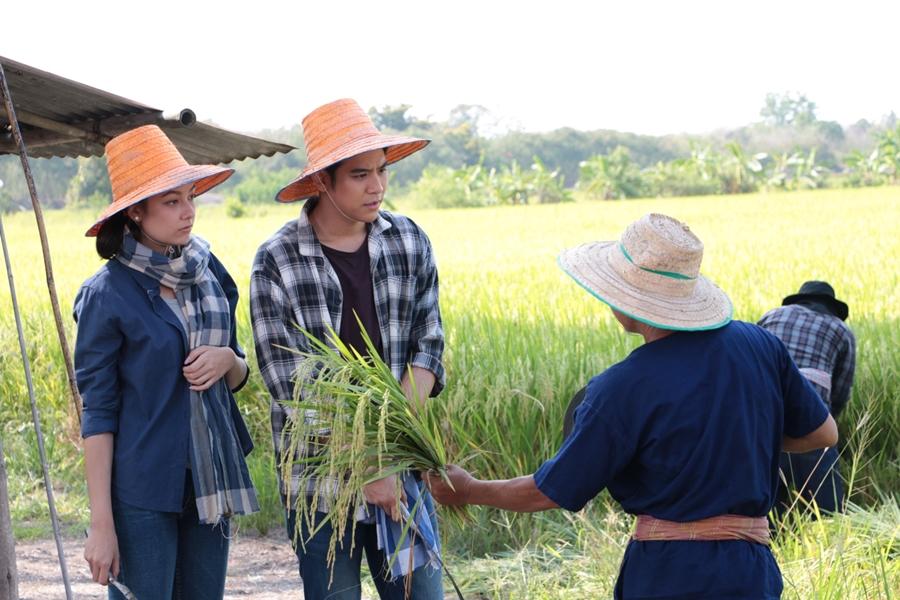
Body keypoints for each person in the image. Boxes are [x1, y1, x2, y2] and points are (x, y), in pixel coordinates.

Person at [426, 213, 838, 599]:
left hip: (669, 573)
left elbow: (547, 492)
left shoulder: (620, 388)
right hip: (752, 570)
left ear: (628, 299)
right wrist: (743, 437)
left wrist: (468, 490)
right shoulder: (759, 344)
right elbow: (823, 434)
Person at [250, 99, 445, 599]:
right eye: (360, 175)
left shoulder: (408, 241)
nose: (377, 186)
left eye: (382, 171)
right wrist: (365, 465)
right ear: (322, 182)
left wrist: (388, 454)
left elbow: (429, 345)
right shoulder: (277, 261)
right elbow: (289, 383)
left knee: (419, 593)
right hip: (320, 486)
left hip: (402, 473)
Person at [74, 125, 259, 599]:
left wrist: (227, 361)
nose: (189, 211)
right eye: (172, 202)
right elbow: (97, 411)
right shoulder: (107, 294)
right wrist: (102, 524)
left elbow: (237, 370)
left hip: (210, 476)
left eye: (190, 196)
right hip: (142, 488)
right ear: (136, 213)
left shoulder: (209, 271)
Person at [759, 281, 856, 516]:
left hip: (762, 419)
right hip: (810, 421)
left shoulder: (771, 316)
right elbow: (841, 391)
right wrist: (824, 425)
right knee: (828, 513)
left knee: (766, 512)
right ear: (830, 307)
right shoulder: (840, 330)